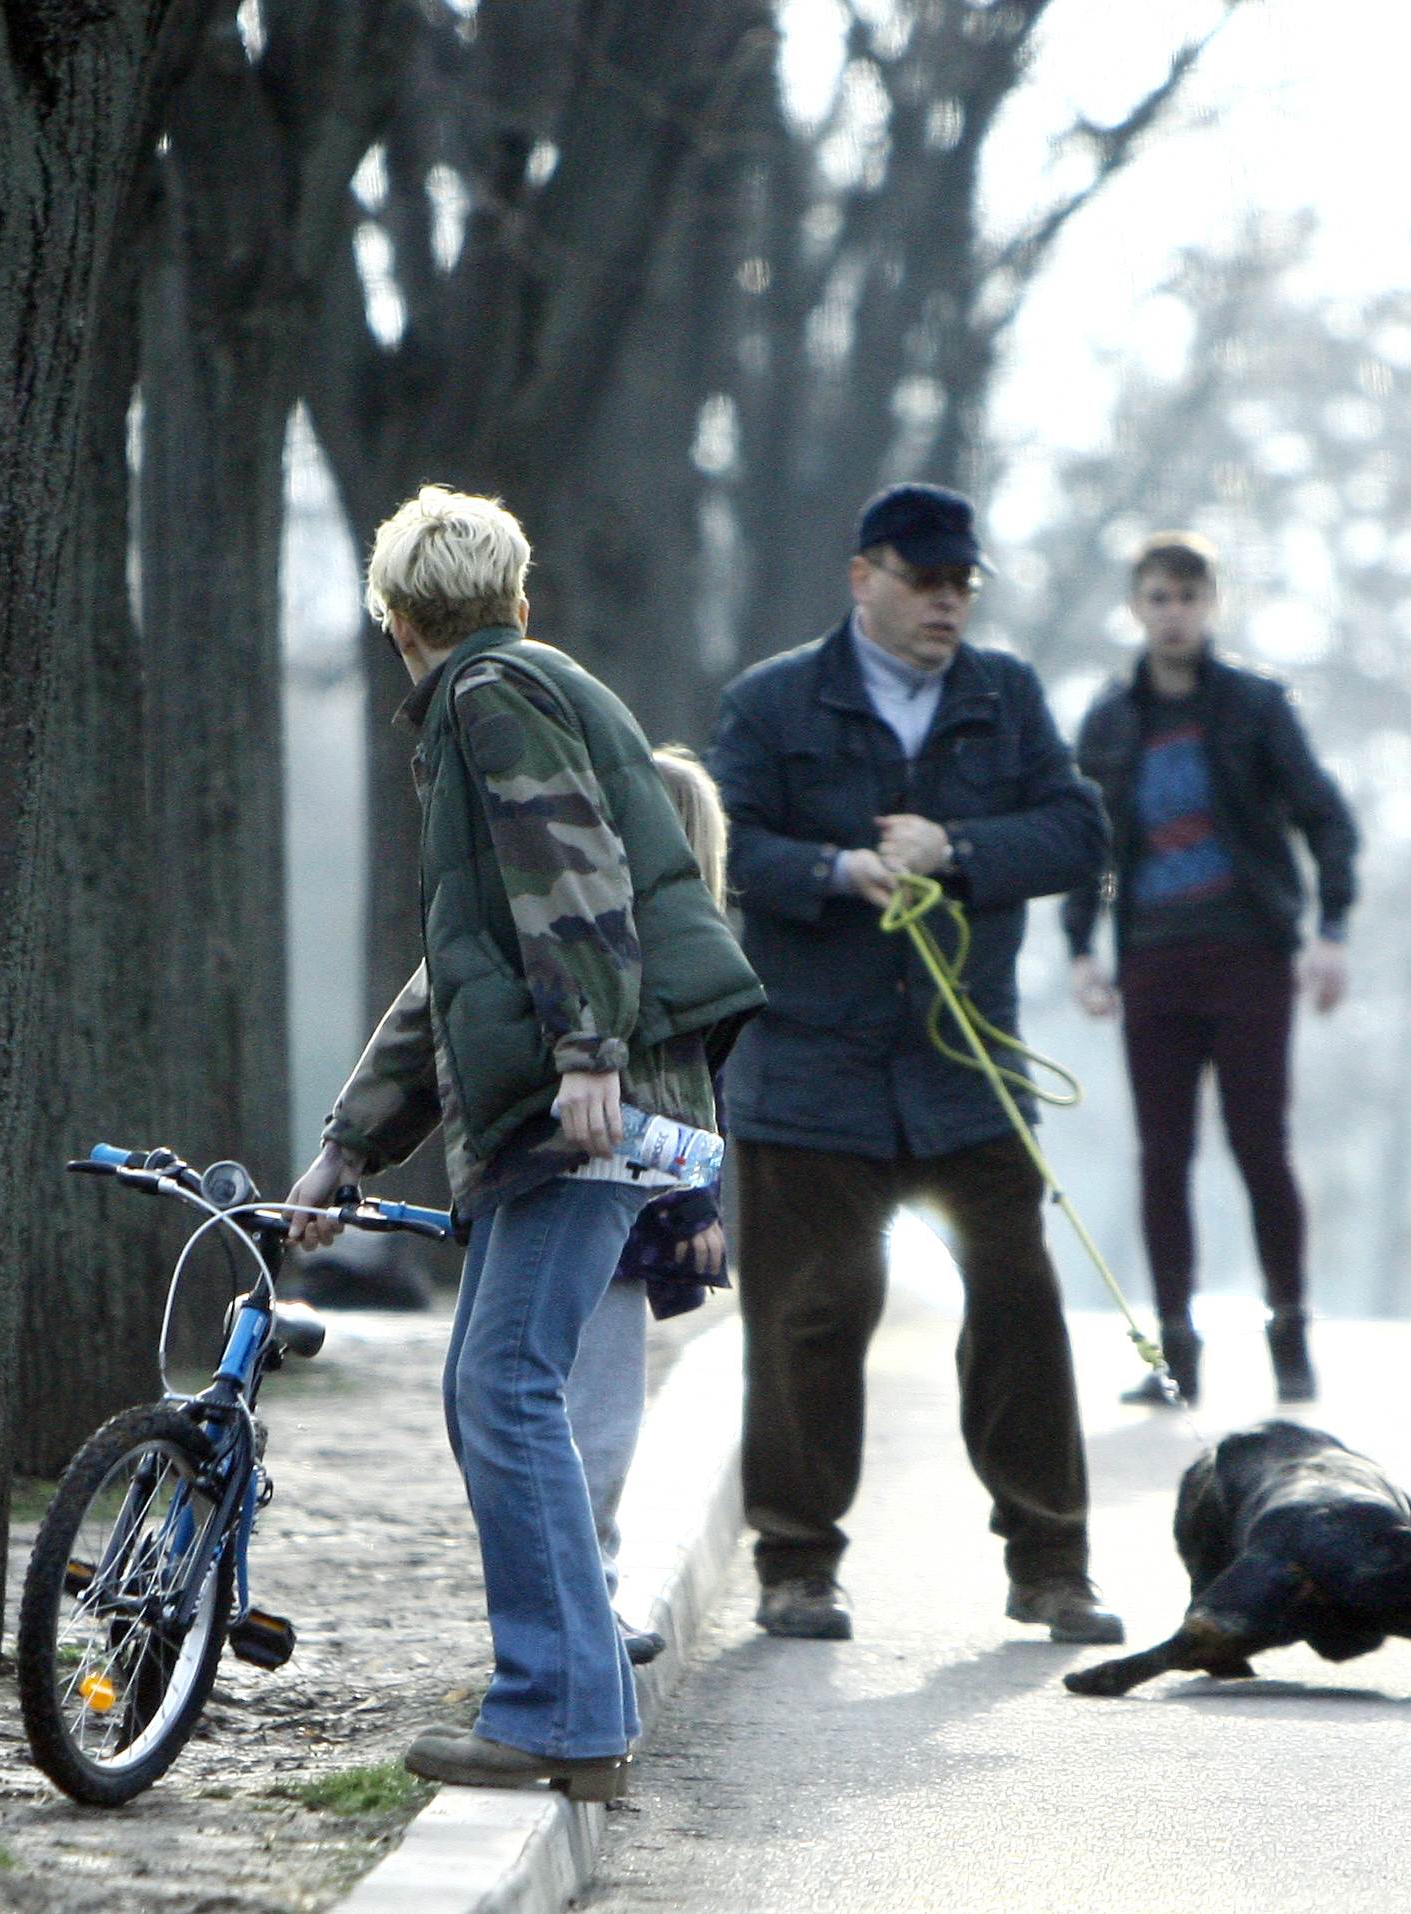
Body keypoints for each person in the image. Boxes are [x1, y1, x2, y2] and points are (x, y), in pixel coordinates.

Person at [288, 487, 763, 1797]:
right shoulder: (508, 693)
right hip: (575, 1093)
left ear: (395, 618)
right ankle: (570, 1696)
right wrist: (350, 1144)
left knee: (504, 1390)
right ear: (512, 593)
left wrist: (589, 1054)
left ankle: (560, 1707)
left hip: (590, 1103)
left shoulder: (493, 698)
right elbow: (460, 971)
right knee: (490, 1390)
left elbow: (576, 883)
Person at [709, 481, 1121, 1647]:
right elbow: (721, 840)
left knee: (1020, 1301)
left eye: (961, 586)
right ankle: (796, 1564)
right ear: (863, 579)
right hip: (808, 1072)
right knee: (811, 1315)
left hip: (964, 1067)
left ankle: (1052, 1565)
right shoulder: (771, 700)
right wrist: (836, 873)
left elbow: (1082, 834)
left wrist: (962, 849)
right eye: (923, 581)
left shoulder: (1008, 696)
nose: (946, 604)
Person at [1063, 532, 1359, 1407]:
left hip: (1251, 957)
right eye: (1158, 597)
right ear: (1137, 607)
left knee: (1261, 1146)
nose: (1174, 613)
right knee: (1163, 1158)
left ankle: (1290, 1331)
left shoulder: (1257, 708)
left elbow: (1325, 818)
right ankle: (1176, 1351)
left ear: (1211, 606)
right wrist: (1082, 948)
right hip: (1152, 958)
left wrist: (1330, 929)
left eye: (1188, 598)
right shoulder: (1111, 720)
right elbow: (1089, 847)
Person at [568, 744, 736, 1669]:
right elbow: (687, 1105)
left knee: (547, 1419)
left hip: (562, 1203)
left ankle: (582, 1597)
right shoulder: (665, 957)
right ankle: (585, 1604)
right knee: (594, 1428)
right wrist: (691, 1215)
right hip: (612, 1216)